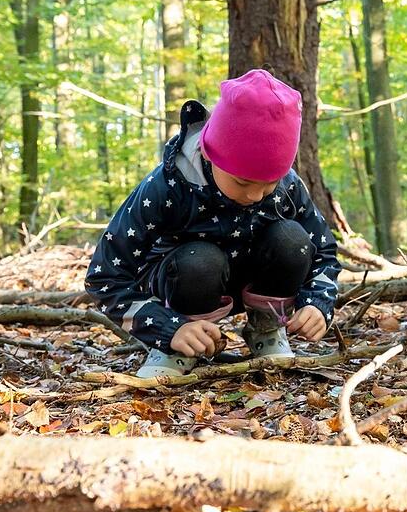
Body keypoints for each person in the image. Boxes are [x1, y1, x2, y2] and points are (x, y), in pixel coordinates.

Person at [85, 69, 341, 377]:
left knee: (293, 240)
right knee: (200, 261)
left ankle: (267, 328)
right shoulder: (168, 187)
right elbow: (104, 276)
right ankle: (181, 346)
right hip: (184, 281)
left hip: (254, 275)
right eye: (242, 182)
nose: (255, 195)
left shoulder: (287, 186)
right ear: (210, 154)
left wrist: (317, 303)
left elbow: (323, 250)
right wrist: (167, 328)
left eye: (269, 183)